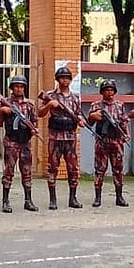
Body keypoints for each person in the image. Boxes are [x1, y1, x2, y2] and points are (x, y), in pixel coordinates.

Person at [37, 66, 86, 210]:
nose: (65, 80)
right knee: (52, 168)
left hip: (70, 138)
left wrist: (81, 120)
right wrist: (49, 105)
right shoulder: (50, 95)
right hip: (55, 137)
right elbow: (39, 113)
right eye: (62, 78)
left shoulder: (75, 98)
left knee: (73, 169)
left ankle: (73, 198)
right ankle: (53, 200)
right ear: (58, 79)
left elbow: (78, 114)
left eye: (67, 78)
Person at [0, 74, 38, 213]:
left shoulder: (30, 104)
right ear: (12, 88)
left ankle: (28, 200)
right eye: (16, 86)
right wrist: (2, 111)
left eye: (21, 86)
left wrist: (33, 130)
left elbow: (34, 121)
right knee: (8, 172)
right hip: (11, 142)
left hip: (25, 143)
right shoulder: (6, 102)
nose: (19, 89)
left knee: (27, 172)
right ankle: (5, 201)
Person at [88, 79, 130, 208]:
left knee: (118, 170)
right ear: (102, 92)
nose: (109, 92)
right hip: (102, 141)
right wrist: (93, 116)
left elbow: (124, 121)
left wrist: (127, 134)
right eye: (107, 90)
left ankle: (119, 197)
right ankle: (98, 197)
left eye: (112, 90)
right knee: (100, 170)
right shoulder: (96, 105)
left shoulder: (120, 105)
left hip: (116, 141)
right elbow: (89, 123)